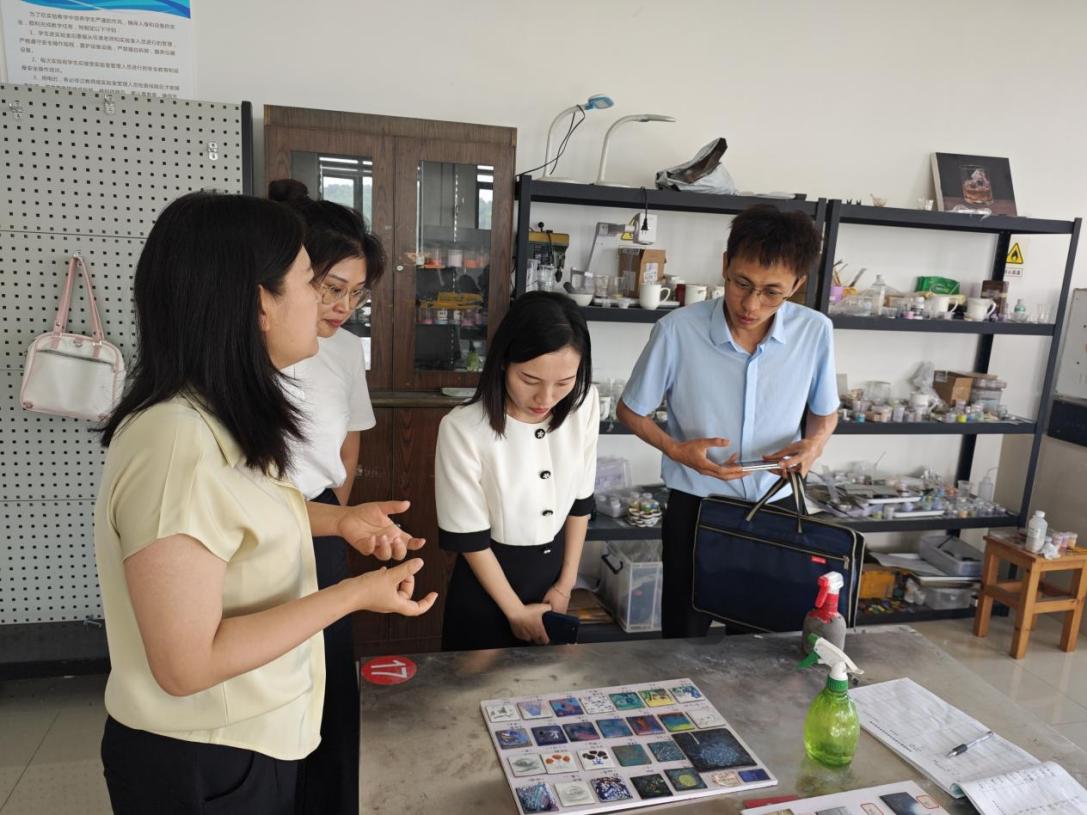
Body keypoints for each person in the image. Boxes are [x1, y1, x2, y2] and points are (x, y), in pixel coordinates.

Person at [95, 191, 437, 815]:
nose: (328, 306)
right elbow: (186, 664)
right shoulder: (176, 442)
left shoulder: (222, 415)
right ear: (260, 304)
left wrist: (340, 519)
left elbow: (235, 521)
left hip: (248, 737)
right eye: (311, 282)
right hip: (206, 751)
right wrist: (354, 595)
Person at [617, 205, 839, 639]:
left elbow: (825, 412)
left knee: (762, 637)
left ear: (797, 285)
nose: (751, 305)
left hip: (776, 504)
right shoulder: (677, 330)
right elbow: (630, 409)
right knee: (684, 634)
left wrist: (813, 446)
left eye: (772, 292)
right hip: (696, 507)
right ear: (725, 265)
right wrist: (675, 449)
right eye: (742, 284)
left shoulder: (815, 332)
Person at [268, 178, 384, 815]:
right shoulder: (254, 344)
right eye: (331, 288)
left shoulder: (343, 351)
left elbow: (349, 441)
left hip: (324, 524)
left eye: (356, 293)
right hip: (257, 527)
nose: (343, 306)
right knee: (274, 672)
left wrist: (339, 513)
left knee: (331, 675)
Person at [436, 291, 598, 651]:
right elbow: (469, 538)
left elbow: (580, 503)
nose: (546, 398)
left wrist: (565, 585)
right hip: (487, 590)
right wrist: (515, 612)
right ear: (503, 362)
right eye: (529, 379)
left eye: (563, 382)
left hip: (554, 584)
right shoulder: (463, 428)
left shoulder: (584, 404)